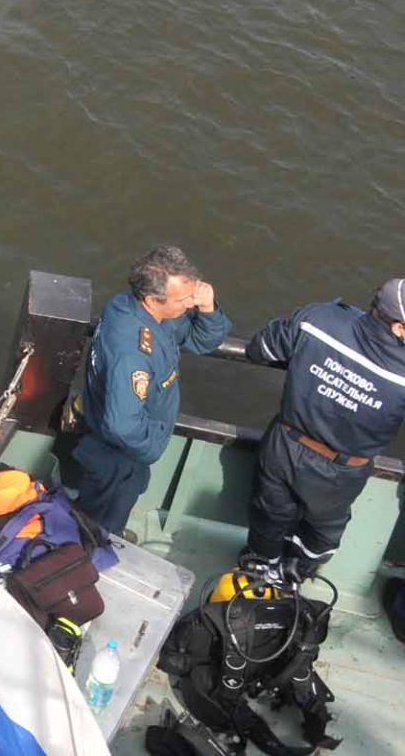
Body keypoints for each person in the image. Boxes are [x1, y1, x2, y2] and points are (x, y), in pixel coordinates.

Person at [238, 282, 405, 583]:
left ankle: (258, 569)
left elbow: (259, 349)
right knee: (323, 533)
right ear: (398, 328)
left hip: (285, 445)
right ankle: (292, 575)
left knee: (270, 514)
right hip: (341, 471)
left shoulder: (319, 318)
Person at [73, 246, 232, 535]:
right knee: (99, 522)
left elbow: (199, 340)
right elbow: (122, 426)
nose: (190, 304)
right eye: (184, 299)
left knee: (111, 507)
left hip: (127, 446)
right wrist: (154, 446)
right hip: (119, 457)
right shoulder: (133, 355)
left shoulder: (139, 308)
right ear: (152, 299)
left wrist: (208, 309)